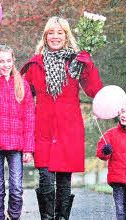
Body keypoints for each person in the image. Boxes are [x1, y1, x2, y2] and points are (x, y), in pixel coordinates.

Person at [20, 16, 103, 219]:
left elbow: (95, 92)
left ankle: (62, 217)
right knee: (45, 178)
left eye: (60, 32)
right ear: (45, 36)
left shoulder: (77, 62)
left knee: (65, 180)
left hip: (68, 128)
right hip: (43, 128)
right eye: (51, 32)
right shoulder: (35, 64)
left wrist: (89, 68)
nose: (55, 36)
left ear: (67, 36)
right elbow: (21, 97)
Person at [0, 45, 35, 220]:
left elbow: (29, 117)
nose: (5, 64)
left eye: (8, 60)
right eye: (1, 61)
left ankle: (14, 216)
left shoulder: (22, 84)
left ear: (13, 61)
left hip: (16, 145)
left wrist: (28, 148)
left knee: (17, 188)